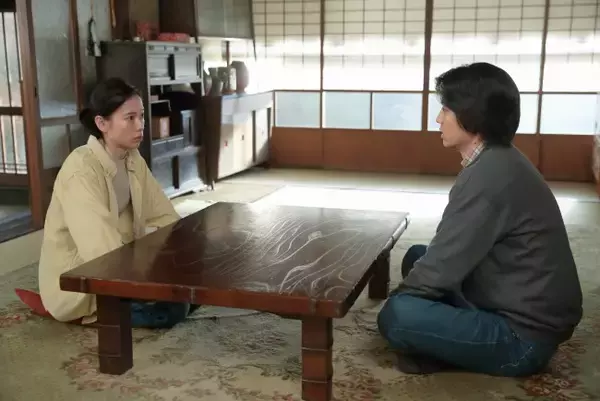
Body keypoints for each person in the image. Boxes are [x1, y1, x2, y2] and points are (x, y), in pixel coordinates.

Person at [377, 62, 583, 377]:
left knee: (397, 315)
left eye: (445, 110)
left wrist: (402, 299)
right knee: (417, 256)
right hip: (512, 297)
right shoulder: (500, 159)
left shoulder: (490, 175)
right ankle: (445, 346)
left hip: (523, 337)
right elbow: (448, 255)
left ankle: (448, 349)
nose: (438, 119)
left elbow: (445, 261)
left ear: (471, 115)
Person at [34, 77, 194, 328]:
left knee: (191, 290)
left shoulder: (133, 158)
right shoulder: (81, 170)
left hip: (124, 261)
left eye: (141, 116)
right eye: (130, 118)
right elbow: (100, 251)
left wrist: (176, 259)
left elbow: (165, 217)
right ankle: (100, 312)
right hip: (81, 276)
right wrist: (152, 273)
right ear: (102, 123)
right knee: (174, 309)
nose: (140, 125)